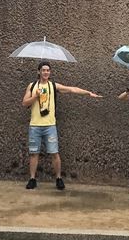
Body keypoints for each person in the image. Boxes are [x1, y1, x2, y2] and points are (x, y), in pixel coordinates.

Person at [21, 62, 103, 190]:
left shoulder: (53, 86)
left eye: (48, 70)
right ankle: (32, 179)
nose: (46, 72)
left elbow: (71, 89)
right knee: (33, 153)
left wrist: (88, 93)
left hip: (50, 126)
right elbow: (24, 103)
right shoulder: (32, 86)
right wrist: (35, 96)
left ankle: (58, 178)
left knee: (54, 153)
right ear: (38, 72)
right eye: (43, 70)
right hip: (35, 126)